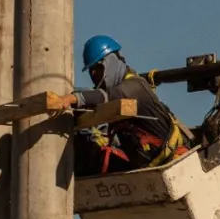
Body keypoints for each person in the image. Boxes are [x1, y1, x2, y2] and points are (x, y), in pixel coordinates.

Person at [68, 35, 194, 176]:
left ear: (111, 62)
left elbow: (107, 96)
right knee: (85, 150)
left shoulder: (136, 86)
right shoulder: (111, 95)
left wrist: (71, 98)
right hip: (145, 169)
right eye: (91, 71)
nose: (93, 74)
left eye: (97, 68)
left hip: (174, 162)